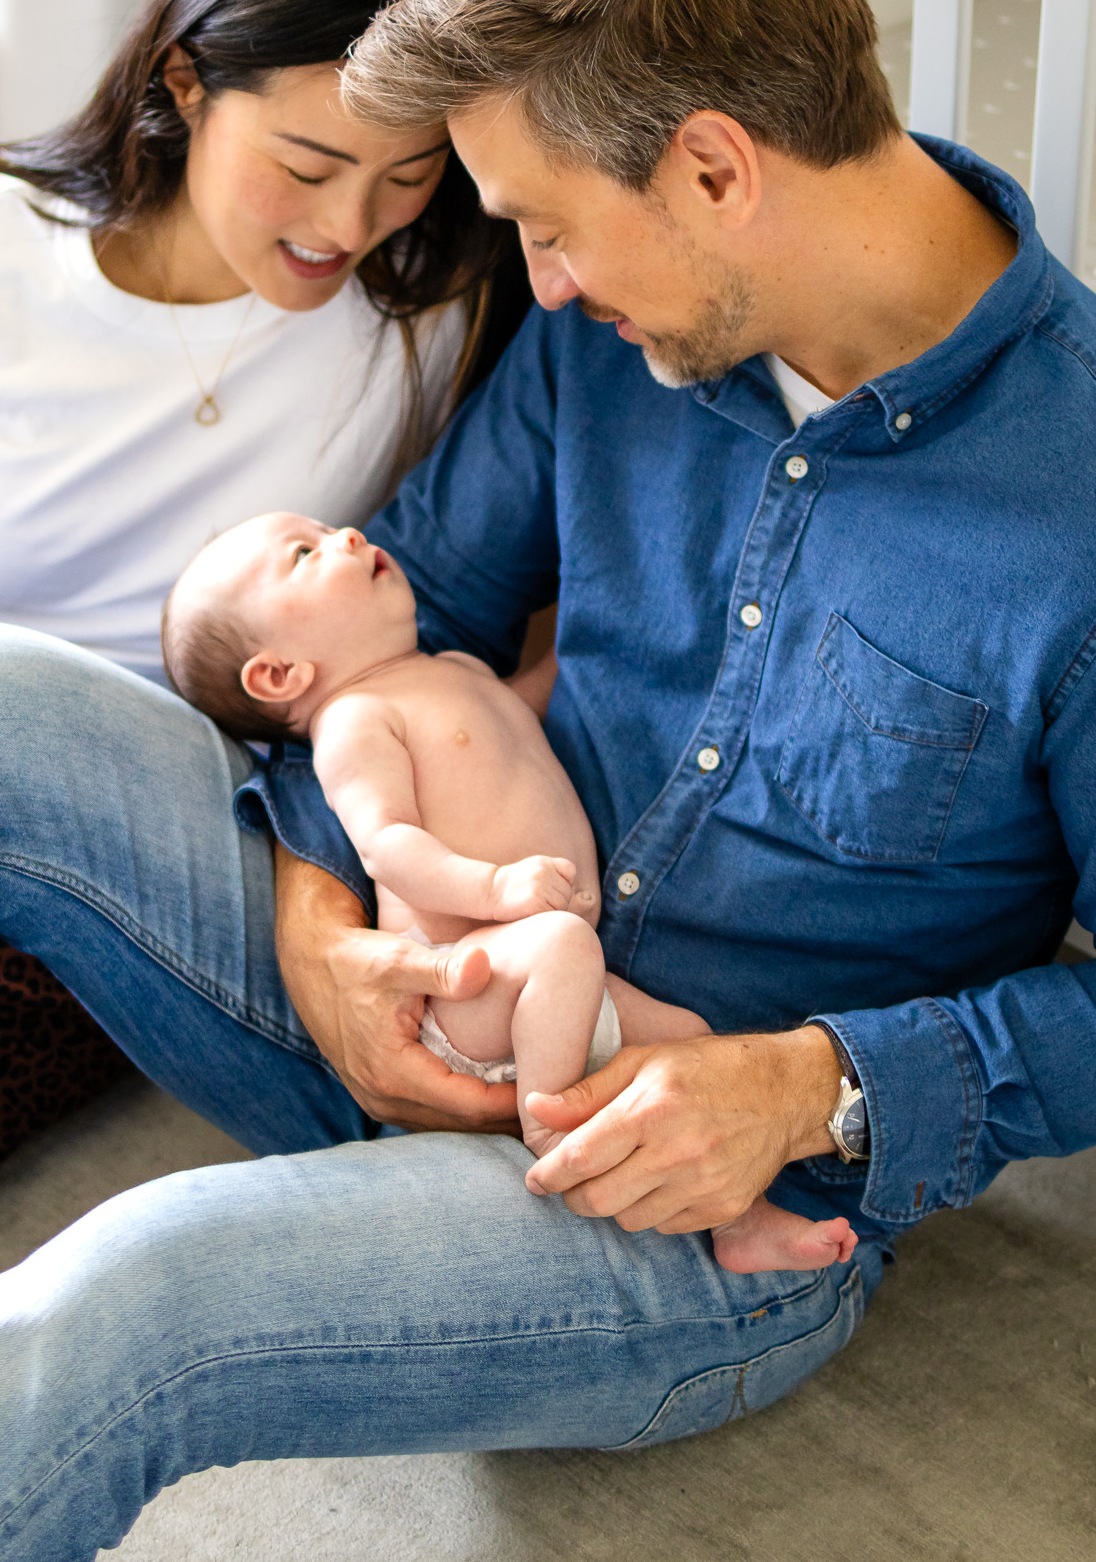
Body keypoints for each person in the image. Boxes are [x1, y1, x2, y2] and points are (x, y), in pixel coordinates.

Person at [0, 0, 1096, 1560]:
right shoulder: (609, 335)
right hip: (408, 993)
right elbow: (407, 606)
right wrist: (319, 919)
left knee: (122, 1295)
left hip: (677, 1203)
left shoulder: (1068, 511)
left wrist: (806, 1089)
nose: (531, 284)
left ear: (710, 169)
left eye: (542, 227)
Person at [0, 0, 527, 1350]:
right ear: (184, 78)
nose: (349, 223)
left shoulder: (434, 307)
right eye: (306, 164)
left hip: (168, 831)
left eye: (406, 169)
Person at [161, 507, 856, 1272]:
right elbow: (387, 847)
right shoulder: (353, 721)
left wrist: (604, 623)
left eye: (328, 530)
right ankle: (553, 1133)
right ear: (277, 674)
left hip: (552, 977)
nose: (346, 537)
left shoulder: (451, 672)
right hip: (470, 982)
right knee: (560, 943)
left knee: (689, 1042)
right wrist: (494, 886)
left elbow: (534, 695)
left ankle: (740, 1224)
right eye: (304, 553)